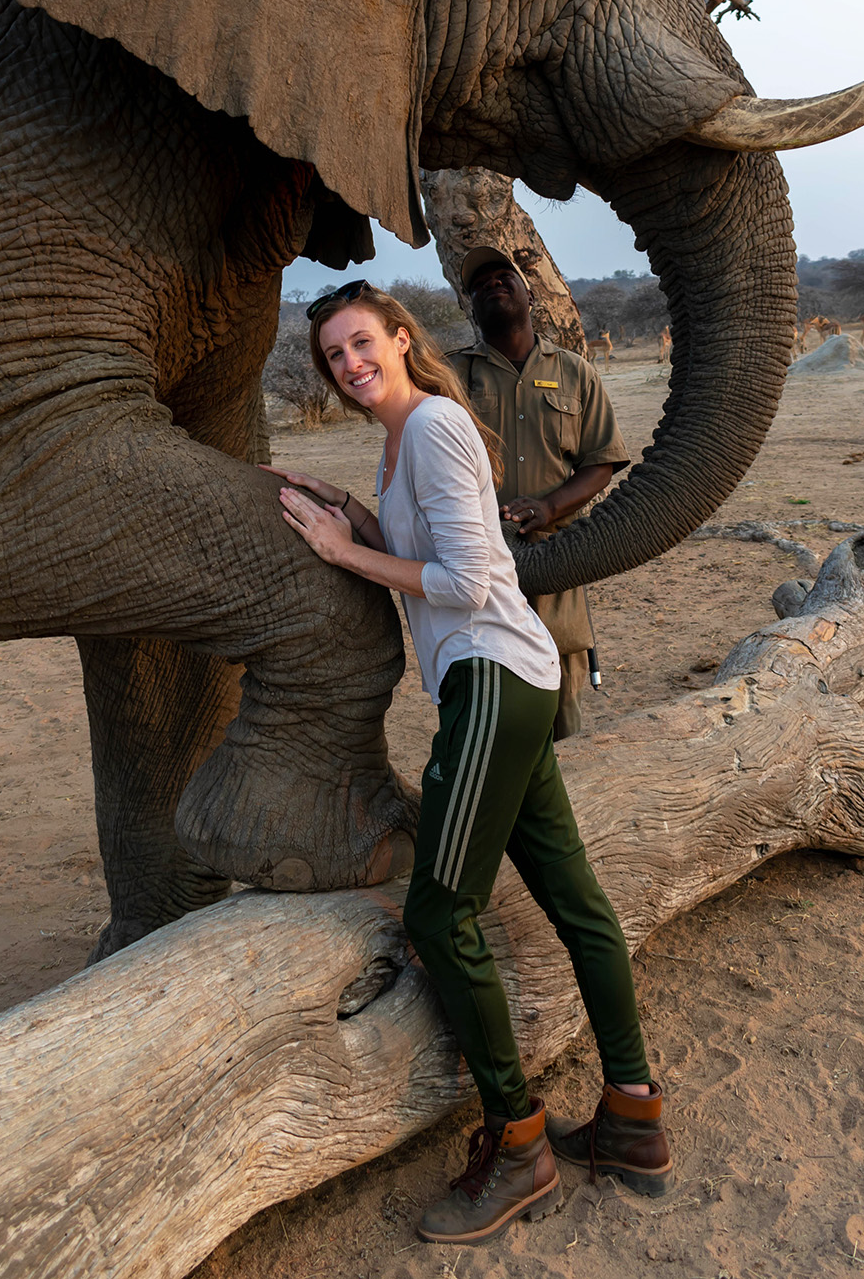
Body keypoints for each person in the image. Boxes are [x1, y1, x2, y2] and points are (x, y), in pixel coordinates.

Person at [264, 279, 671, 1247]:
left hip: (490, 683)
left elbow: (468, 578)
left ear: (402, 339)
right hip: (506, 681)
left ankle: (520, 1140)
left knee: (441, 912)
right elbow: (439, 545)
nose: (352, 366)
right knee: (574, 899)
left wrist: (343, 554)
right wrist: (361, 517)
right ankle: (633, 1116)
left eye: (363, 344)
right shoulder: (404, 441)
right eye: (334, 357)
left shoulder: (439, 426)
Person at [449, 247, 630, 741]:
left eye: (502, 275)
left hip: (557, 555)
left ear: (530, 292)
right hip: (479, 562)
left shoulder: (575, 372)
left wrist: (550, 506)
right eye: (478, 283)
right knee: (488, 689)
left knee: (559, 698)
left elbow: (601, 461)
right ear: (471, 307)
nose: (491, 285)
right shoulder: (448, 377)